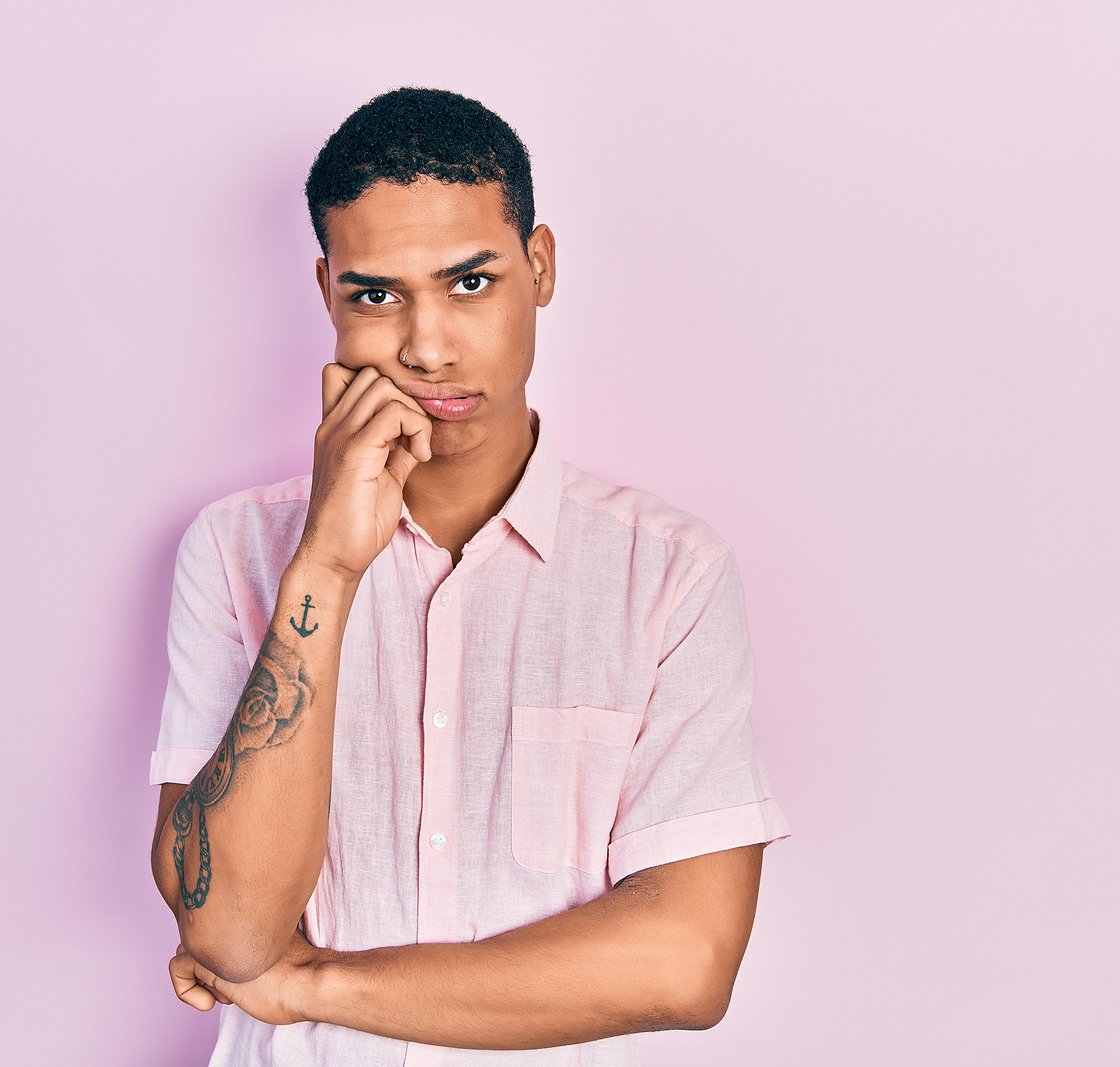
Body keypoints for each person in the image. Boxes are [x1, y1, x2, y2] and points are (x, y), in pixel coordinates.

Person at [149, 87, 788, 1066]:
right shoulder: (237, 548)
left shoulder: (666, 573)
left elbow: (683, 960)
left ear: (539, 266)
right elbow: (229, 929)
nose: (427, 346)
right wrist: (326, 558)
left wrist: (310, 984)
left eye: (470, 282)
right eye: (376, 295)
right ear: (327, 295)